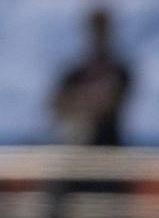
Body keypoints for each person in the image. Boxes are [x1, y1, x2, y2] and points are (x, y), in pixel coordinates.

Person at [51, 9, 133, 147]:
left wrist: (75, 100)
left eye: (102, 28)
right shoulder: (75, 72)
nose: (98, 34)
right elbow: (55, 105)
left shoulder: (119, 70)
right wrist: (92, 97)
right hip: (76, 150)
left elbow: (109, 104)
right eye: (95, 28)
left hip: (108, 149)